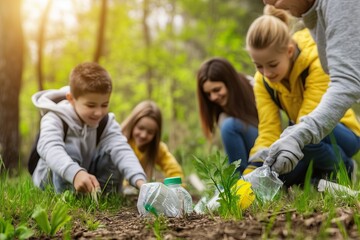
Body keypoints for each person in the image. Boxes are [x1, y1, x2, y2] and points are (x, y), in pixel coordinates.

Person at [244, 5, 360, 186]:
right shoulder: (262, 81)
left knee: (301, 140)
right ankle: (319, 176)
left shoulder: (316, 60)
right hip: (301, 132)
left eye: (273, 64)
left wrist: (290, 142)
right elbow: (268, 130)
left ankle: (345, 168)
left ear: (289, 52)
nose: (266, 73)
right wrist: (254, 170)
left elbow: (307, 125)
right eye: (259, 66)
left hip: (338, 131)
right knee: (280, 176)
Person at [31, 62, 146, 194]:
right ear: (71, 99)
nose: (98, 112)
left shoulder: (105, 122)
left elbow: (122, 150)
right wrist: (75, 173)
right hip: (50, 183)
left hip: (84, 174)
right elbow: (49, 148)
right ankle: (69, 198)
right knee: (69, 149)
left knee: (114, 153)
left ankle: (105, 196)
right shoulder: (54, 117)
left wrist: (141, 182)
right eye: (91, 105)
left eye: (104, 105)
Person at [196, 57, 259, 174]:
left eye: (217, 89)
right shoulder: (221, 112)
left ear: (229, 82)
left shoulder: (254, 86)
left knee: (229, 125)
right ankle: (241, 180)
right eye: (208, 94)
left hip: (267, 146)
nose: (213, 97)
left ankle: (238, 180)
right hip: (252, 160)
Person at [121, 100, 184, 182]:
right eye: (140, 128)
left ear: (156, 134)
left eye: (150, 132)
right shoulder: (120, 141)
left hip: (135, 190)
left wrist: (178, 187)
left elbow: (173, 169)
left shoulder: (157, 149)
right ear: (132, 124)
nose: (143, 135)